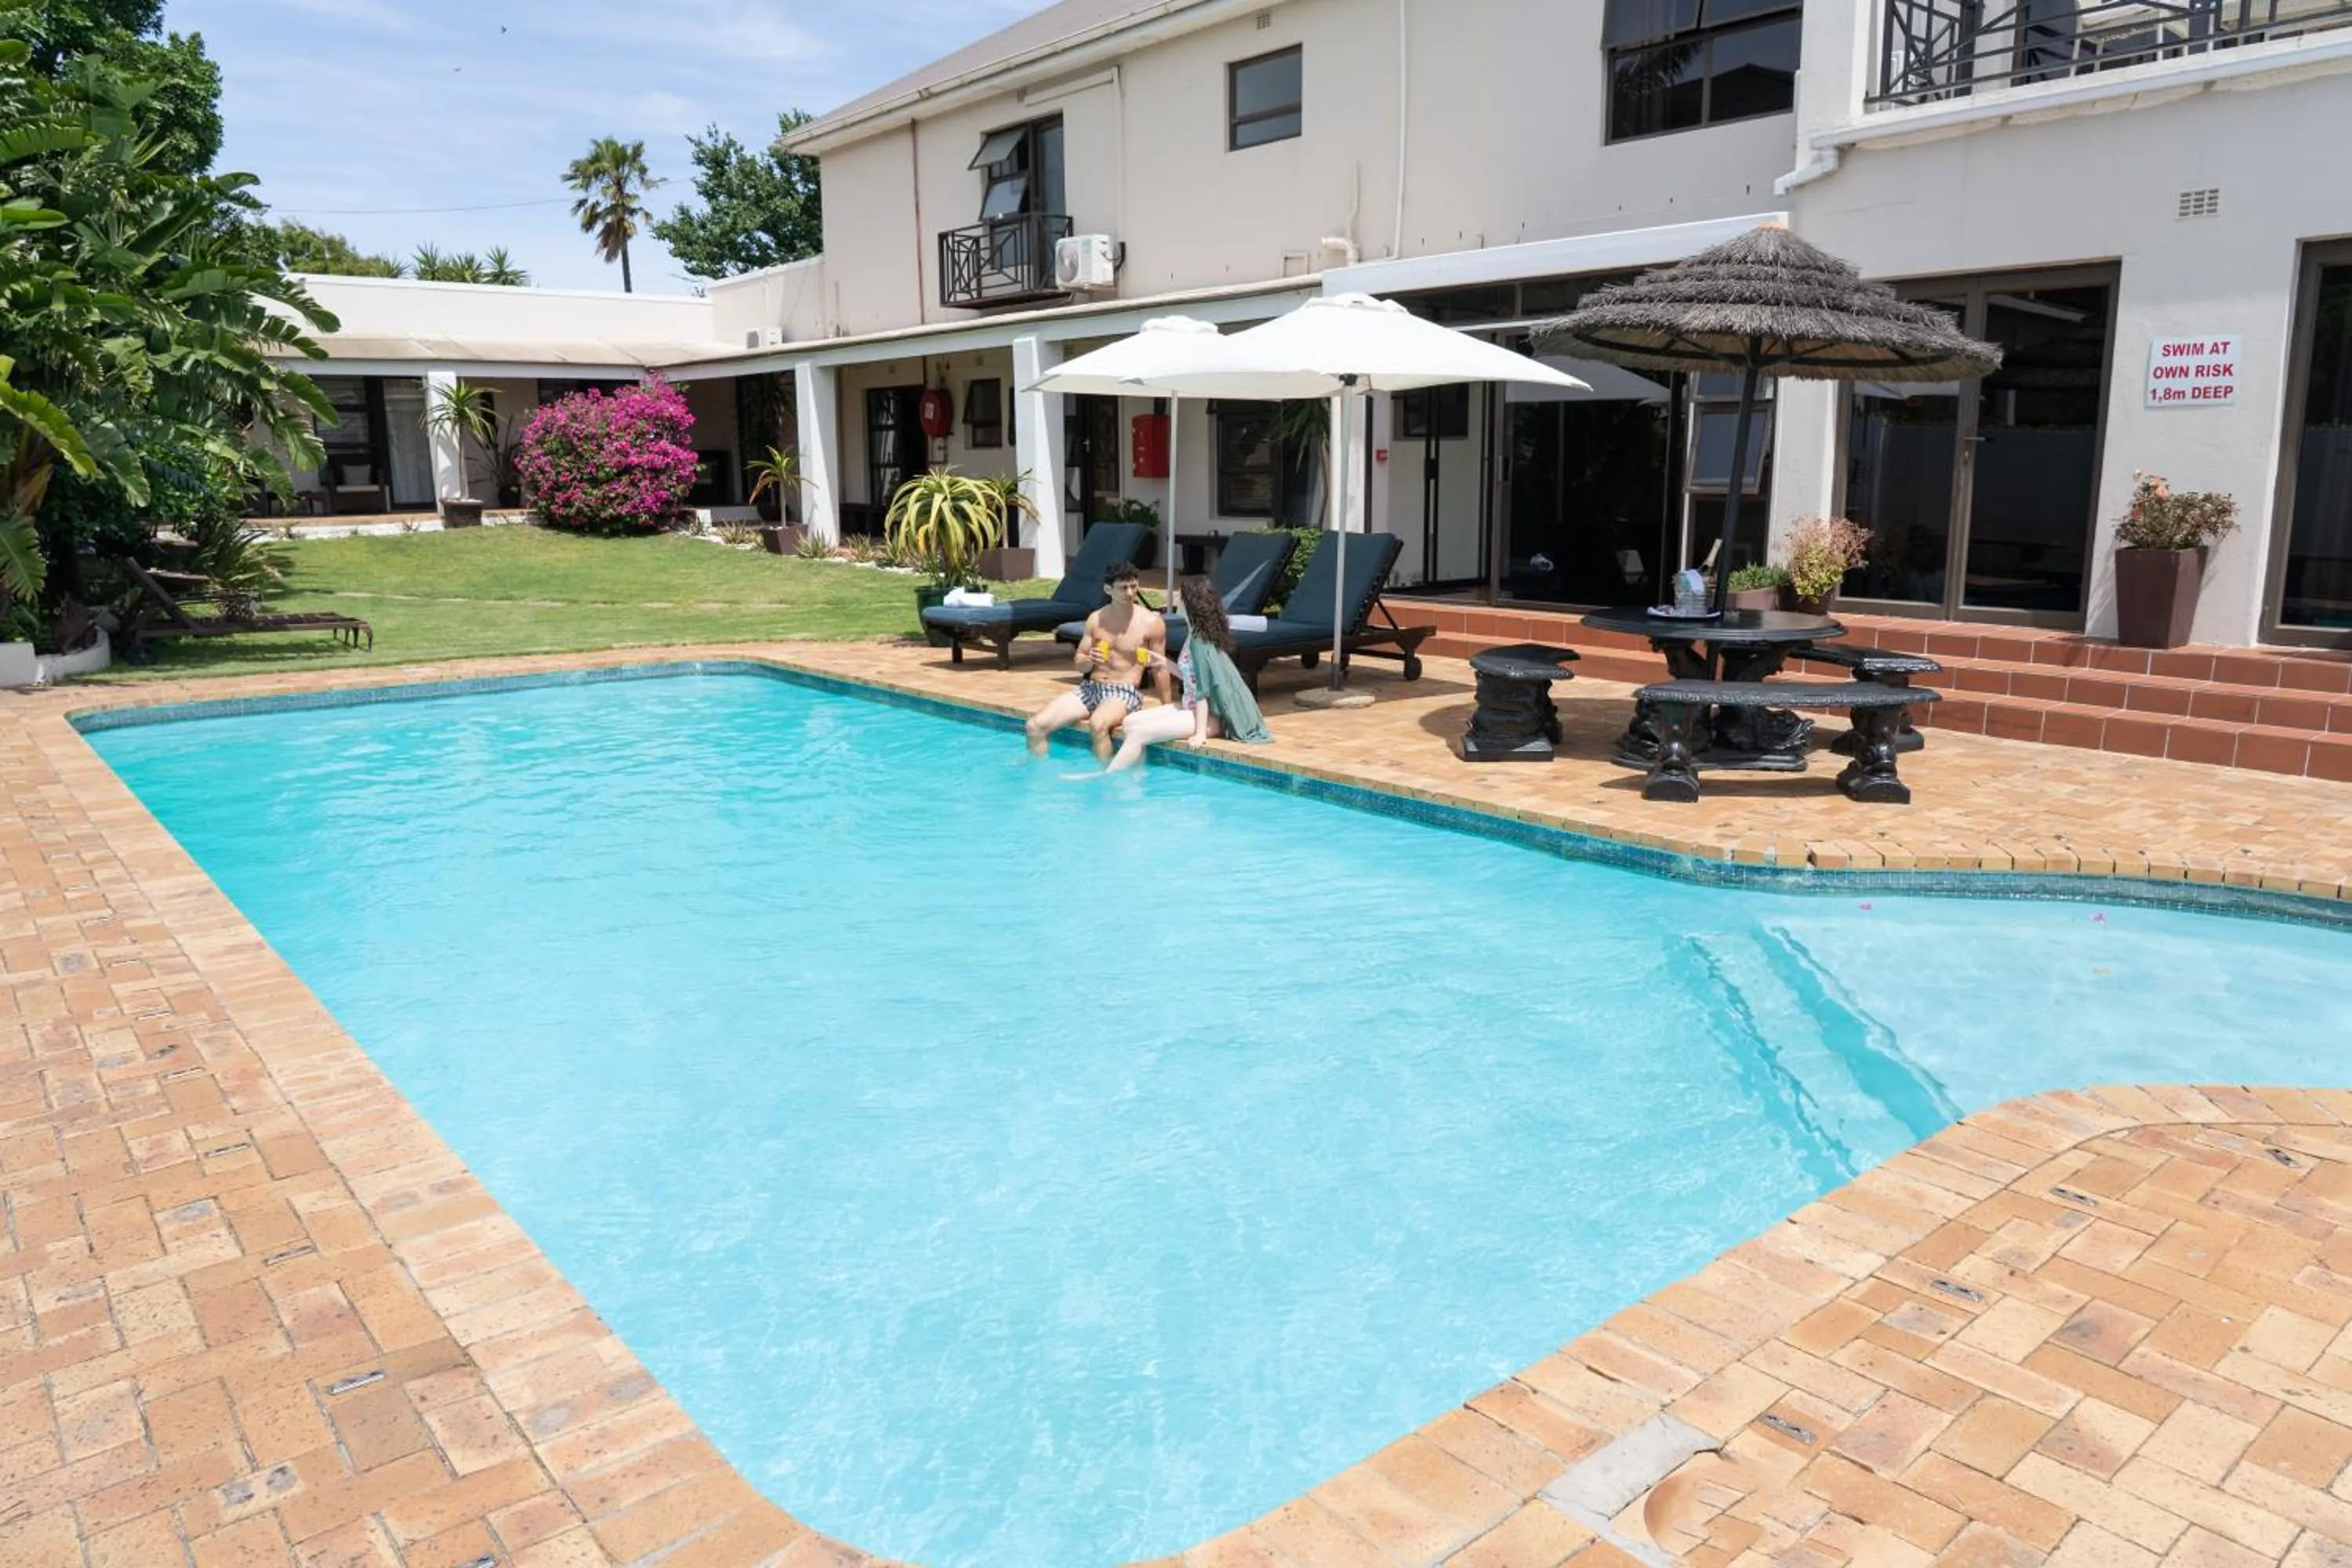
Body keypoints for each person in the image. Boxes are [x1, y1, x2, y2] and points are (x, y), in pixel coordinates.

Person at [1105, 573, 1272, 773]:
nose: (1177, 600)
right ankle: (1136, 775)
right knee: (1130, 722)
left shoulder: (1200, 642)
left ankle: (1108, 778)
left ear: (1190, 603)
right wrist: (1164, 662)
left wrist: (1200, 733)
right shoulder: (1194, 634)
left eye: (1180, 596)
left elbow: (1203, 690)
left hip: (1211, 715)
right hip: (1191, 706)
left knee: (1138, 733)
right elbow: (1192, 678)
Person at [1024, 560, 1167, 761]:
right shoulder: (1096, 619)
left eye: (1133, 586)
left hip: (1124, 691)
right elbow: (1080, 661)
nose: (1129, 593)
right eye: (1123, 588)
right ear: (1108, 589)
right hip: (1091, 688)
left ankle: (1104, 781)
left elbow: (1161, 668)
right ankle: (1040, 780)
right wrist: (1090, 659)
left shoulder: (1151, 623)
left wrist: (1166, 706)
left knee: (1098, 724)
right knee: (1035, 726)